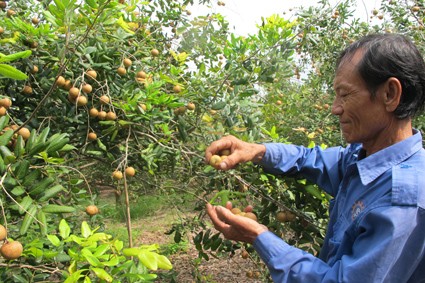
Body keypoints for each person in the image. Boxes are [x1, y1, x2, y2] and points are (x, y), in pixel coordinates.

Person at [205, 33, 425, 282]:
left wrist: (260, 237)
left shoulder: (403, 201)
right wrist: (257, 150)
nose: (335, 108)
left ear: (390, 94)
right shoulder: (364, 157)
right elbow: (312, 159)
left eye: (345, 94)